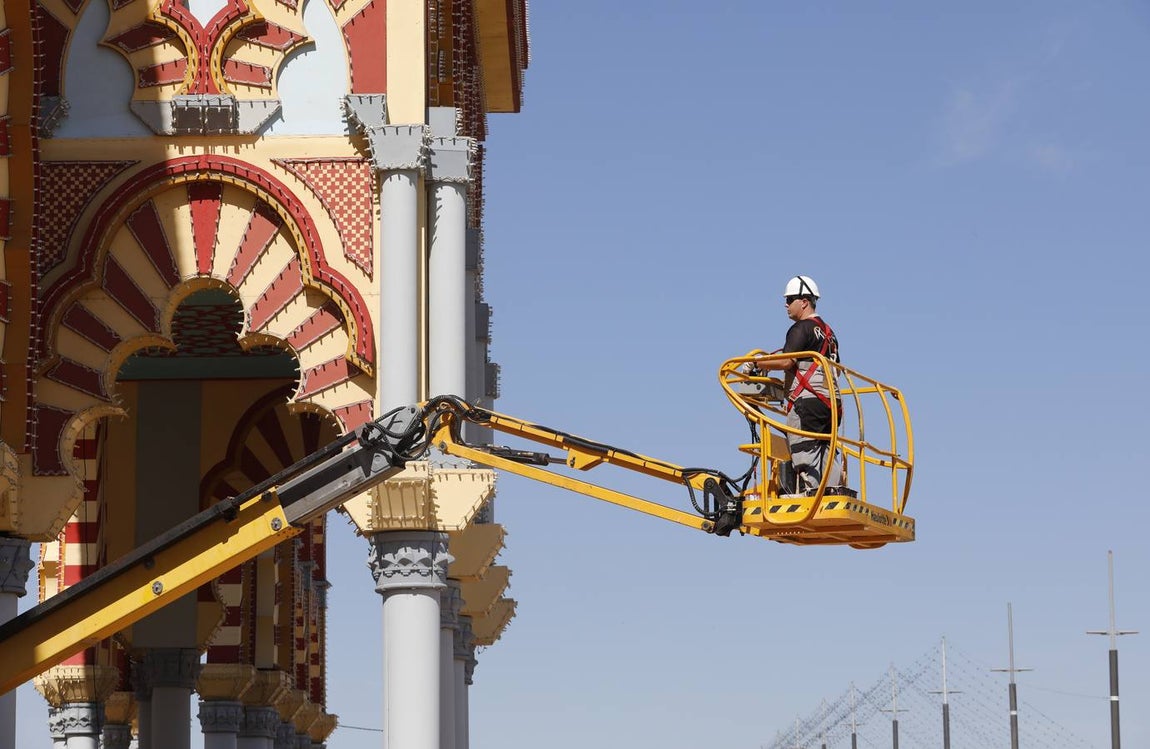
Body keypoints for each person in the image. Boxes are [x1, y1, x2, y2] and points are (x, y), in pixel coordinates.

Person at [752, 275, 843, 496]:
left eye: (790, 298)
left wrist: (756, 362)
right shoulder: (829, 334)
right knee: (826, 450)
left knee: (804, 448)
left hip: (807, 403)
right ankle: (833, 491)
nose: (786, 304)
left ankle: (809, 495)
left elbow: (786, 361)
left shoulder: (801, 328)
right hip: (831, 404)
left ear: (804, 301)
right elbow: (837, 369)